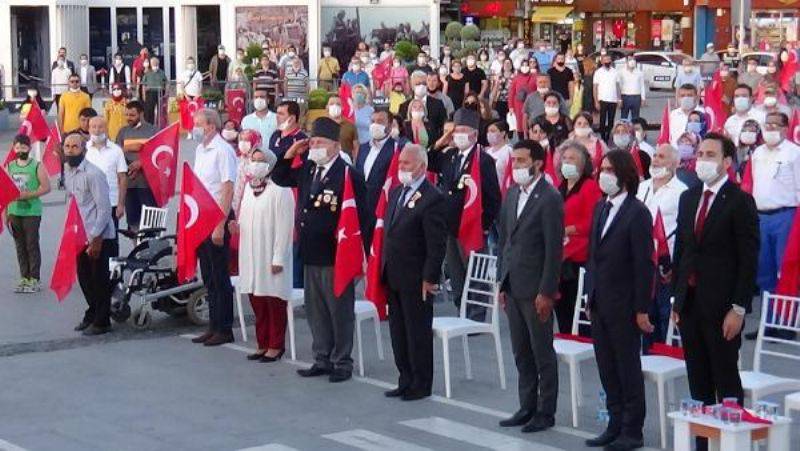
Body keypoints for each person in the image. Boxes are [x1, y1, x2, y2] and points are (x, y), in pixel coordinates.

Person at [672, 133, 759, 451]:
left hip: (722, 307)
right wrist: (676, 298)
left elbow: (748, 260)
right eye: (700, 153)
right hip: (691, 304)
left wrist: (738, 308)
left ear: (726, 162)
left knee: (725, 377)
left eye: (710, 154)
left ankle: (733, 443)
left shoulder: (739, 201)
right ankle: (703, 444)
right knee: (698, 380)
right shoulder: (689, 197)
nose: (703, 159)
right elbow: (682, 251)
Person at [272, 117, 368, 383]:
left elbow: (364, 216)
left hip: (337, 253)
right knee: (316, 310)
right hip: (311, 251)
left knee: (339, 310)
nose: (314, 146)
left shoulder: (349, 174)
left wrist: (366, 255)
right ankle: (322, 357)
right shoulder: (309, 169)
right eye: (312, 142)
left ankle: (342, 361)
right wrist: (290, 153)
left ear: (336, 146)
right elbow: (279, 177)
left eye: (320, 142)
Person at [584, 149, 654, 450]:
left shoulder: (637, 212)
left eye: (610, 170)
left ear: (624, 175)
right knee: (606, 366)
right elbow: (593, 255)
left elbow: (643, 264)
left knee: (627, 368)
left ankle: (632, 429)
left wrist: (641, 309)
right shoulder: (601, 207)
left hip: (624, 304)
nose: (604, 174)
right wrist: (590, 293)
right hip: (600, 301)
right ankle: (614, 422)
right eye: (602, 169)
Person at [497, 140, 563, 433]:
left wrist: (546, 291)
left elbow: (553, 250)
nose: (517, 166)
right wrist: (502, 281)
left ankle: (545, 411)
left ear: (537, 163)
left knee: (541, 352)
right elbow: (504, 241)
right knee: (521, 351)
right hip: (513, 284)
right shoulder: (512, 194)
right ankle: (527, 405)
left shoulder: (549, 198)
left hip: (536, 287)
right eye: (515, 160)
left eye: (522, 161)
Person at [381, 143, 447, 401]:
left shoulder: (432, 197)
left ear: (421, 166)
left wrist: (430, 277)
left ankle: (421, 383)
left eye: (406, 164)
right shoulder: (398, 192)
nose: (401, 168)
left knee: (417, 332)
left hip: (416, 276)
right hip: (394, 273)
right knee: (398, 331)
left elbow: (436, 242)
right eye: (400, 164)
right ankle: (404, 378)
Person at [427, 108, 501, 321]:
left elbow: (493, 197)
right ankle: (462, 309)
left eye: (463, 131)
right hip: (451, 224)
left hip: (472, 225)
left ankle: (476, 315)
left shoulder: (483, 160)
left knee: (474, 271)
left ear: (475, 135)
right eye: (456, 131)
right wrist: (443, 139)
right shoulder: (450, 156)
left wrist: (484, 224)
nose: (458, 135)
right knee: (456, 271)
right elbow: (429, 159)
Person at [235, 148, 294, 362]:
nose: (256, 164)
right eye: (254, 160)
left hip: (270, 254)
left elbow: (285, 226)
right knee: (257, 300)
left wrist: (279, 257)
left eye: (261, 160)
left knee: (273, 300)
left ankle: (276, 345)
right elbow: (244, 217)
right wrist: (236, 226)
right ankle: (262, 343)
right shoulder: (250, 190)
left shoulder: (280, 189)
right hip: (251, 254)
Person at [744, 112, 800, 340]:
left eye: (775, 125)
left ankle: (787, 323)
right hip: (761, 217)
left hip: (785, 215)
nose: (770, 129)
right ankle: (768, 322)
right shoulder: (758, 153)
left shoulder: (794, 153)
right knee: (764, 272)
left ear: (786, 129)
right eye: (767, 125)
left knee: (784, 270)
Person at [190, 109, 239, 347]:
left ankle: (225, 327)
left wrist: (220, 225)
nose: (194, 127)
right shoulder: (201, 150)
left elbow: (227, 188)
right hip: (201, 217)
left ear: (211, 126)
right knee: (208, 275)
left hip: (217, 217)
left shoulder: (223, 150)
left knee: (220, 276)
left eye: (198, 124)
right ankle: (212, 324)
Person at [63, 132, 116, 336]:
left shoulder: (94, 174)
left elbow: (104, 209)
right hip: (79, 235)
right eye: (67, 146)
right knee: (84, 278)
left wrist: (96, 238)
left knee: (99, 279)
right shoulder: (68, 171)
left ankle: (102, 321)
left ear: (83, 149)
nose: (70, 150)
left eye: (74, 147)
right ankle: (93, 312)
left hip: (98, 236)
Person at [636, 144, 688, 349]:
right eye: (655, 156)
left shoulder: (681, 192)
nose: (656, 160)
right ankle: (647, 352)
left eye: (662, 157)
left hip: (666, 262)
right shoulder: (642, 187)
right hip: (642, 259)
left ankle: (666, 353)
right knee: (646, 310)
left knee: (664, 310)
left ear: (675, 163)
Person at [556, 140, 601, 334]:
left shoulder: (589, 186)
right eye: (565, 158)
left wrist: (568, 229)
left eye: (572, 158)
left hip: (579, 256)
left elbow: (593, 221)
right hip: (561, 254)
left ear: (583, 163)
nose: (567, 161)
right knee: (562, 303)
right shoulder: (561, 186)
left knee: (575, 302)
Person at [5, 135, 51, 293]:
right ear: (13, 148)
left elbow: (46, 187)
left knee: (31, 244)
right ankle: (24, 277)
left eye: (23, 147)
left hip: (31, 211)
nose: (20, 150)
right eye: (17, 148)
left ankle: (34, 278)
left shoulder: (37, 166)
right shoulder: (9, 166)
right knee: (20, 245)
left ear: (29, 148)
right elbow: (3, 191)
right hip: (14, 211)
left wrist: (28, 195)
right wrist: (5, 215)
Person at [355, 109, 396, 249]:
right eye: (373, 121)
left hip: (381, 207)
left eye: (380, 122)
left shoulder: (396, 149)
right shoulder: (363, 148)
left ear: (389, 126)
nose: (375, 125)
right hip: (362, 208)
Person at [116, 101, 158, 230]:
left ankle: (151, 249)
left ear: (141, 114)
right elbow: (116, 155)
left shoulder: (153, 130)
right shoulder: (123, 132)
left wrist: (141, 163)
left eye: (132, 115)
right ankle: (137, 249)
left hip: (148, 185)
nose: (129, 118)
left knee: (151, 223)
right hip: (129, 185)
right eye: (127, 115)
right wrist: (127, 149)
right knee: (133, 223)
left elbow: (161, 155)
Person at [85, 117, 127, 236]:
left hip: (111, 203)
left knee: (111, 240)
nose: (97, 130)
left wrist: (121, 204)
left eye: (100, 127)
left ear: (106, 129)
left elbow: (122, 178)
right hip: (90, 204)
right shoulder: (84, 150)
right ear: (89, 129)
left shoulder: (116, 150)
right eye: (94, 127)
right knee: (90, 239)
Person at [399, 71, 447, 142]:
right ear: (412, 85)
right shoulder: (404, 106)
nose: (421, 86)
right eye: (418, 84)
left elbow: (442, 127)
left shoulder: (438, 104)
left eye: (424, 83)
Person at [593, 53, 621, 142]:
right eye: (605, 60)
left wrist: (619, 99)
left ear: (611, 61)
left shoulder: (615, 72)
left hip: (613, 100)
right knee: (602, 120)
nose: (607, 62)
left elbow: (617, 86)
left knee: (611, 120)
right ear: (602, 62)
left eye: (609, 60)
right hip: (602, 99)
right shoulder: (598, 72)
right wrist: (596, 101)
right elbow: (595, 87)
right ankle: (603, 137)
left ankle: (609, 136)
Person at [508, 60, 537, 134]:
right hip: (518, 105)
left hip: (531, 104)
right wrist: (510, 106)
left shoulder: (535, 77)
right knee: (520, 125)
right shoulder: (516, 78)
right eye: (523, 65)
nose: (525, 67)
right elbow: (511, 92)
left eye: (526, 65)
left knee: (531, 123)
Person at [618, 56, 646, 121]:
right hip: (625, 97)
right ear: (626, 61)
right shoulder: (621, 72)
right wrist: (619, 99)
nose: (632, 61)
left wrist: (643, 99)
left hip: (636, 97)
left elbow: (642, 86)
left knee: (635, 118)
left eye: (634, 59)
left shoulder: (639, 73)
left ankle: (634, 130)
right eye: (630, 59)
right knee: (624, 118)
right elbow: (619, 86)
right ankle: (624, 130)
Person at [141, 57, 167, 125]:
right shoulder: (147, 72)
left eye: (156, 64)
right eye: (154, 64)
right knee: (149, 111)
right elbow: (143, 85)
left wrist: (166, 92)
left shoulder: (162, 72)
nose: (155, 66)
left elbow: (166, 83)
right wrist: (143, 94)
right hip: (150, 93)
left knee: (160, 111)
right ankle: (150, 126)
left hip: (160, 92)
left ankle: (160, 126)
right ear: (151, 64)